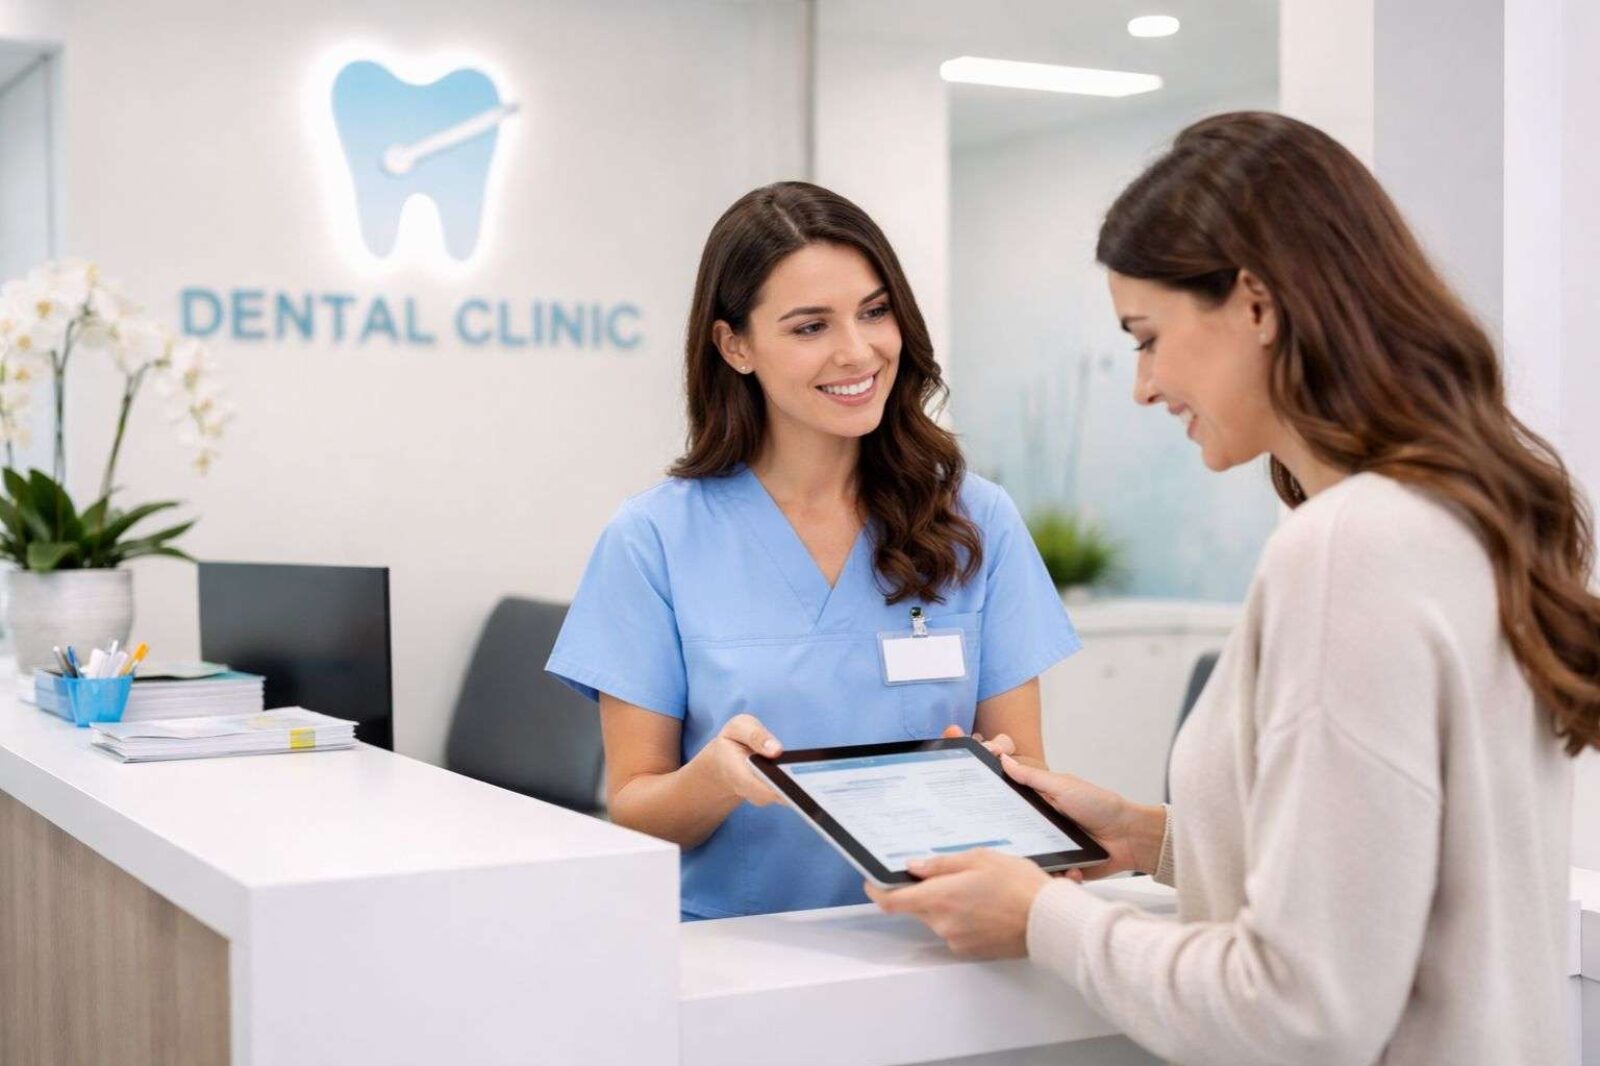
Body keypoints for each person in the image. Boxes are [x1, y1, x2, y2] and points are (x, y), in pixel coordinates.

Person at [869, 112, 1600, 1065]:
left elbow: (1302, 1010)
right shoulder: (1464, 516)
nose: (1142, 385)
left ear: (1255, 303)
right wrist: (1147, 838)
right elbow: (1395, 885)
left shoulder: (1347, 547)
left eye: (1147, 337)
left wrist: (1042, 916)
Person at [546, 181, 1079, 920]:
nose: (857, 351)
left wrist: (1013, 802)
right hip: (734, 953)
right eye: (810, 327)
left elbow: (1026, 775)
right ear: (735, 345)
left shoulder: (976, 520)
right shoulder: (652, 540)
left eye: (875, 312)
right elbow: (635, 810)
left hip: (940, 941)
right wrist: (716, 779)